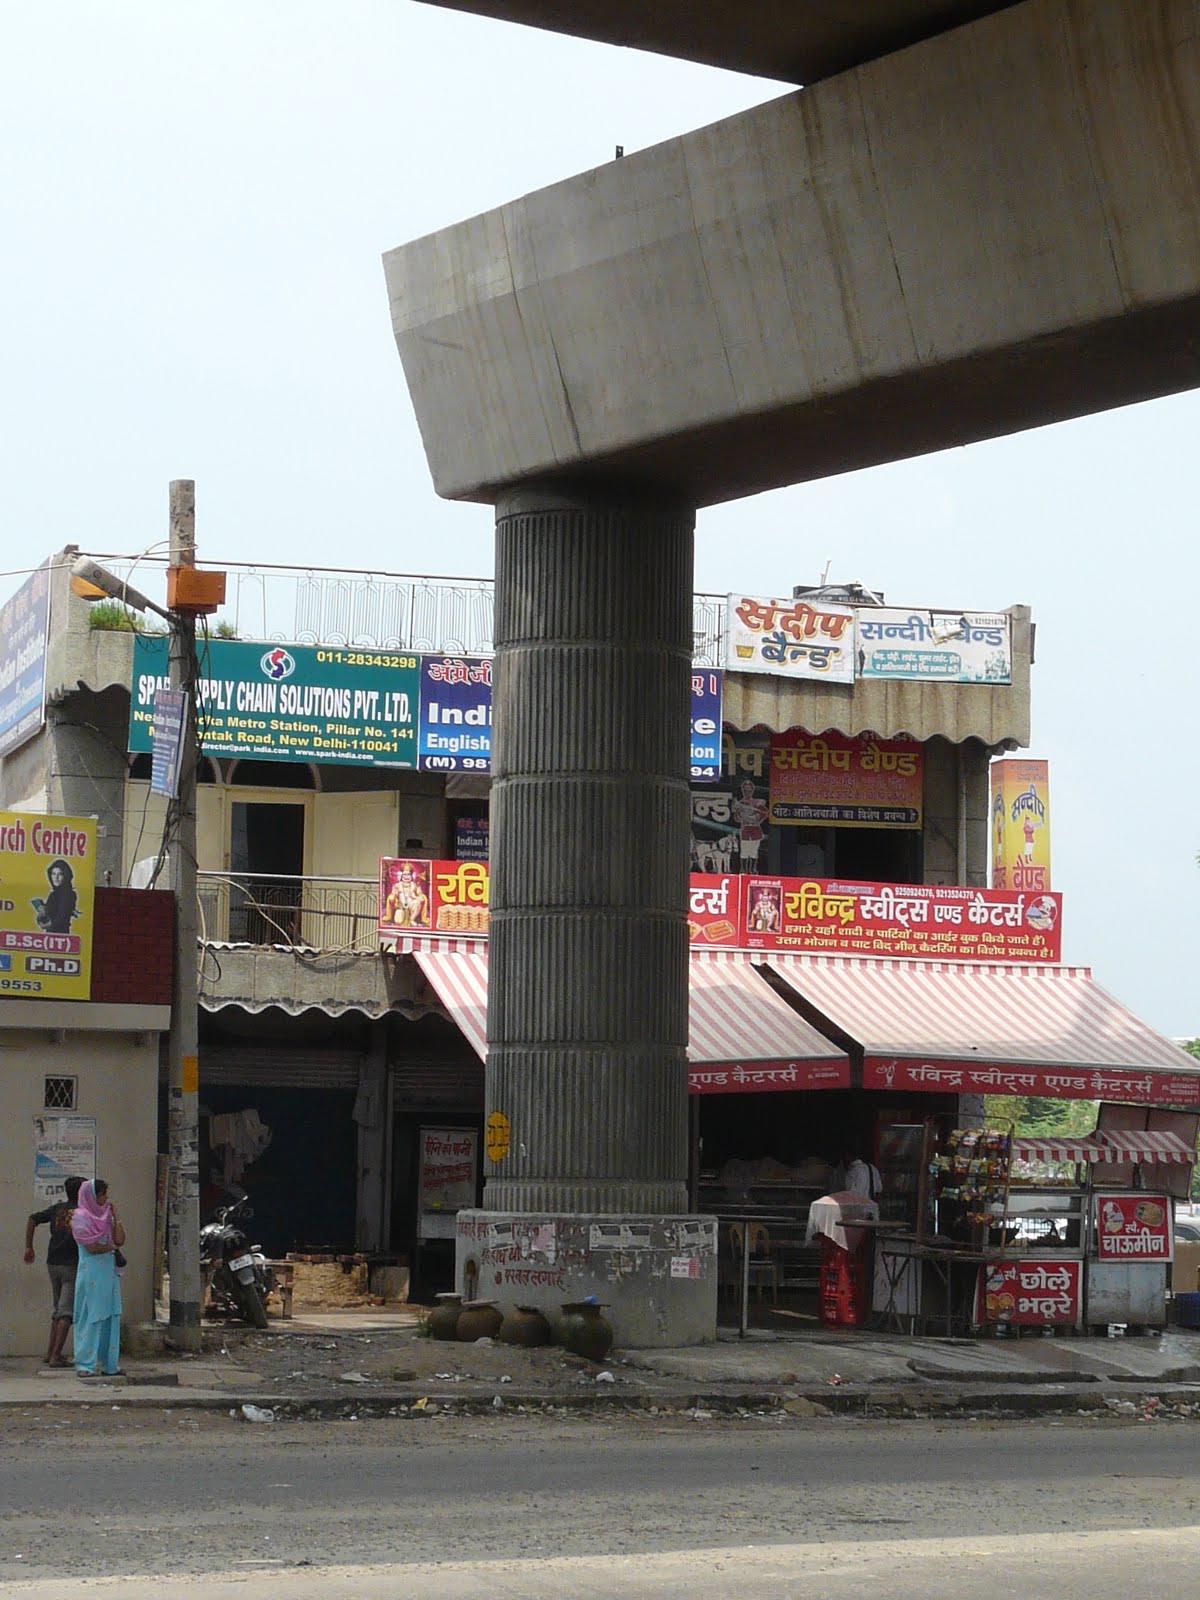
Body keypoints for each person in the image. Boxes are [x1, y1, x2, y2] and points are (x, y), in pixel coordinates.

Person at [23, 1175, 83, 1368]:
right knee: (66, 1312)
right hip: (72, 1264)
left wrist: (29, 1246)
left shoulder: (58, 1209)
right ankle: (56, 1356)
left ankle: (50, 1353)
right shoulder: (83, 1212)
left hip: (53, 1262)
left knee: (58, 1310)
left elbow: (33, 1219)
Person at [70, 1178, 126, 1378]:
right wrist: (111, 1247)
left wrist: (116, 1218)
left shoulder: (106, 1216)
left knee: (110, 1317)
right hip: (91, 1273)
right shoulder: (80, 1217)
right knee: (90, 1317)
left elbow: (119, 1240)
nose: (106, 1198)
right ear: (92, 1196)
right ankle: (85, 1364)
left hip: (108, 1274)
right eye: (102, 1194)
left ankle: (110, 1365)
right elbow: (92, 1248)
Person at [31, 859, 79, 934]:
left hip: (60, 934)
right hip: (52, 933)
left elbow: (61, 918)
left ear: (66, 876)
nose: (56, 877)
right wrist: (43, 909)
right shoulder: (54, 894)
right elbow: (52, 913)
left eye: (60, 874)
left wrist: (46, 925)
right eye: (53, 874)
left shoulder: (68, 894)